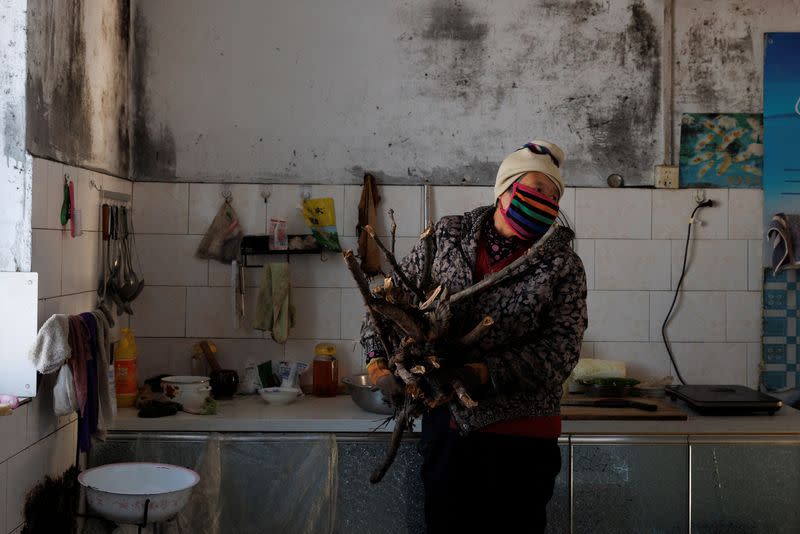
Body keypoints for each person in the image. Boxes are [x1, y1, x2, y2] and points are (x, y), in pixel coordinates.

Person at [360, 139, 587, 534]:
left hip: (523, 439)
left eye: (554, 196)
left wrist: (483, 373)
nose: (547, 201)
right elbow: (390, 304)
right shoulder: (448, 236)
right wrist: (379, 365)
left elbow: (561, 351)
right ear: (505, 189)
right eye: (537, 189)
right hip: (450, 431)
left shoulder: (561, 263)